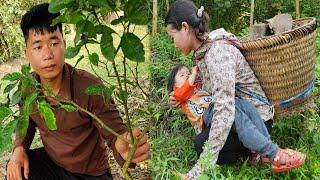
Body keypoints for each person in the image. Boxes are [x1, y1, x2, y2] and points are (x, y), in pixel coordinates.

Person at [6, 3, 150, 180]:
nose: (48, 54)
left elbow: (115, 133)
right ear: (26, 52)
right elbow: (26, 121)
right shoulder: (27, 87)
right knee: (16, 169)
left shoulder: (90, 87)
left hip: (91, 174)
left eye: (53, 42)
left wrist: (124, 144)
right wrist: (19, 148)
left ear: (64, 44)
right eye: (37, 47)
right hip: (53, 164)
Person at [165, 0, 306, 178]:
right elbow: (206, 91)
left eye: (172, 37)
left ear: (185, 28)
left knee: (217, 117)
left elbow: (225, 110)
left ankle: (271, 152)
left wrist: (199, 170)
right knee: (201, 143)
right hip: (237, 116)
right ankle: (255, 151)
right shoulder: (203, 54)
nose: (174, 43)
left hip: (254, 119)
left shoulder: (218, 53)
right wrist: (179, 98)